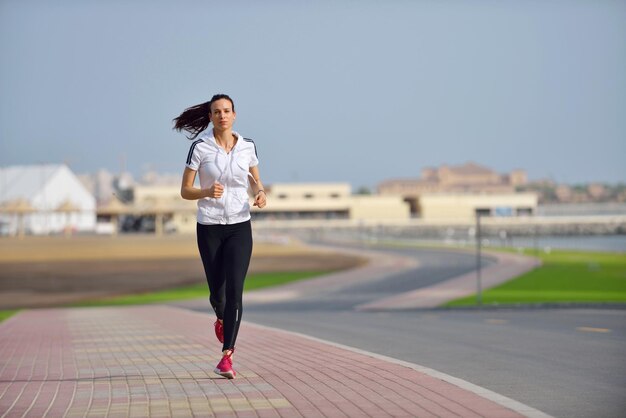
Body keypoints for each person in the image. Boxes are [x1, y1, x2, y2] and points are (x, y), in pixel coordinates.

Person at [173, 94, 266, 379]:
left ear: (234, 115)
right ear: (211, 117)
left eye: (227, 111)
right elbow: (185, 190)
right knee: (218, 293)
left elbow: (255, 181)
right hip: (210, 226)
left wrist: (260, 193)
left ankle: (227, 356)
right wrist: (205, 191)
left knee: (236, 290)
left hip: (240, 225)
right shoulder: (200, 148)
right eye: (217, 112)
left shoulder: (248, 146)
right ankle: (220, 316)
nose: (222, 115)